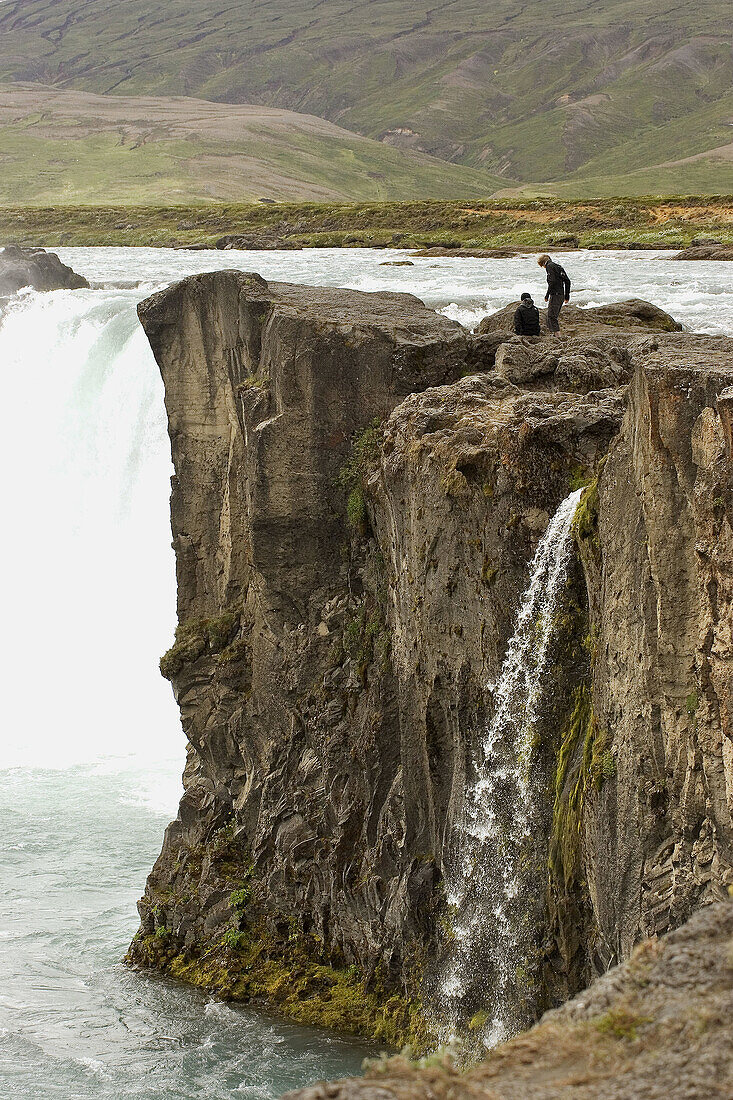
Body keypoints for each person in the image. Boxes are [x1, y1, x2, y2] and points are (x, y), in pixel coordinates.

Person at [538, 254, 571, 334]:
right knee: (554, 316)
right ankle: (555, 334)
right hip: (561, 295)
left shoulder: (549, 266)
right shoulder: (559, 267)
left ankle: (557, 336)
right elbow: (567, 281)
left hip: (555, 294)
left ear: (543, 263)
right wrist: (567, 296)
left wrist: (547, 295)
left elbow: (552, 282)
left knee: (551, 316)